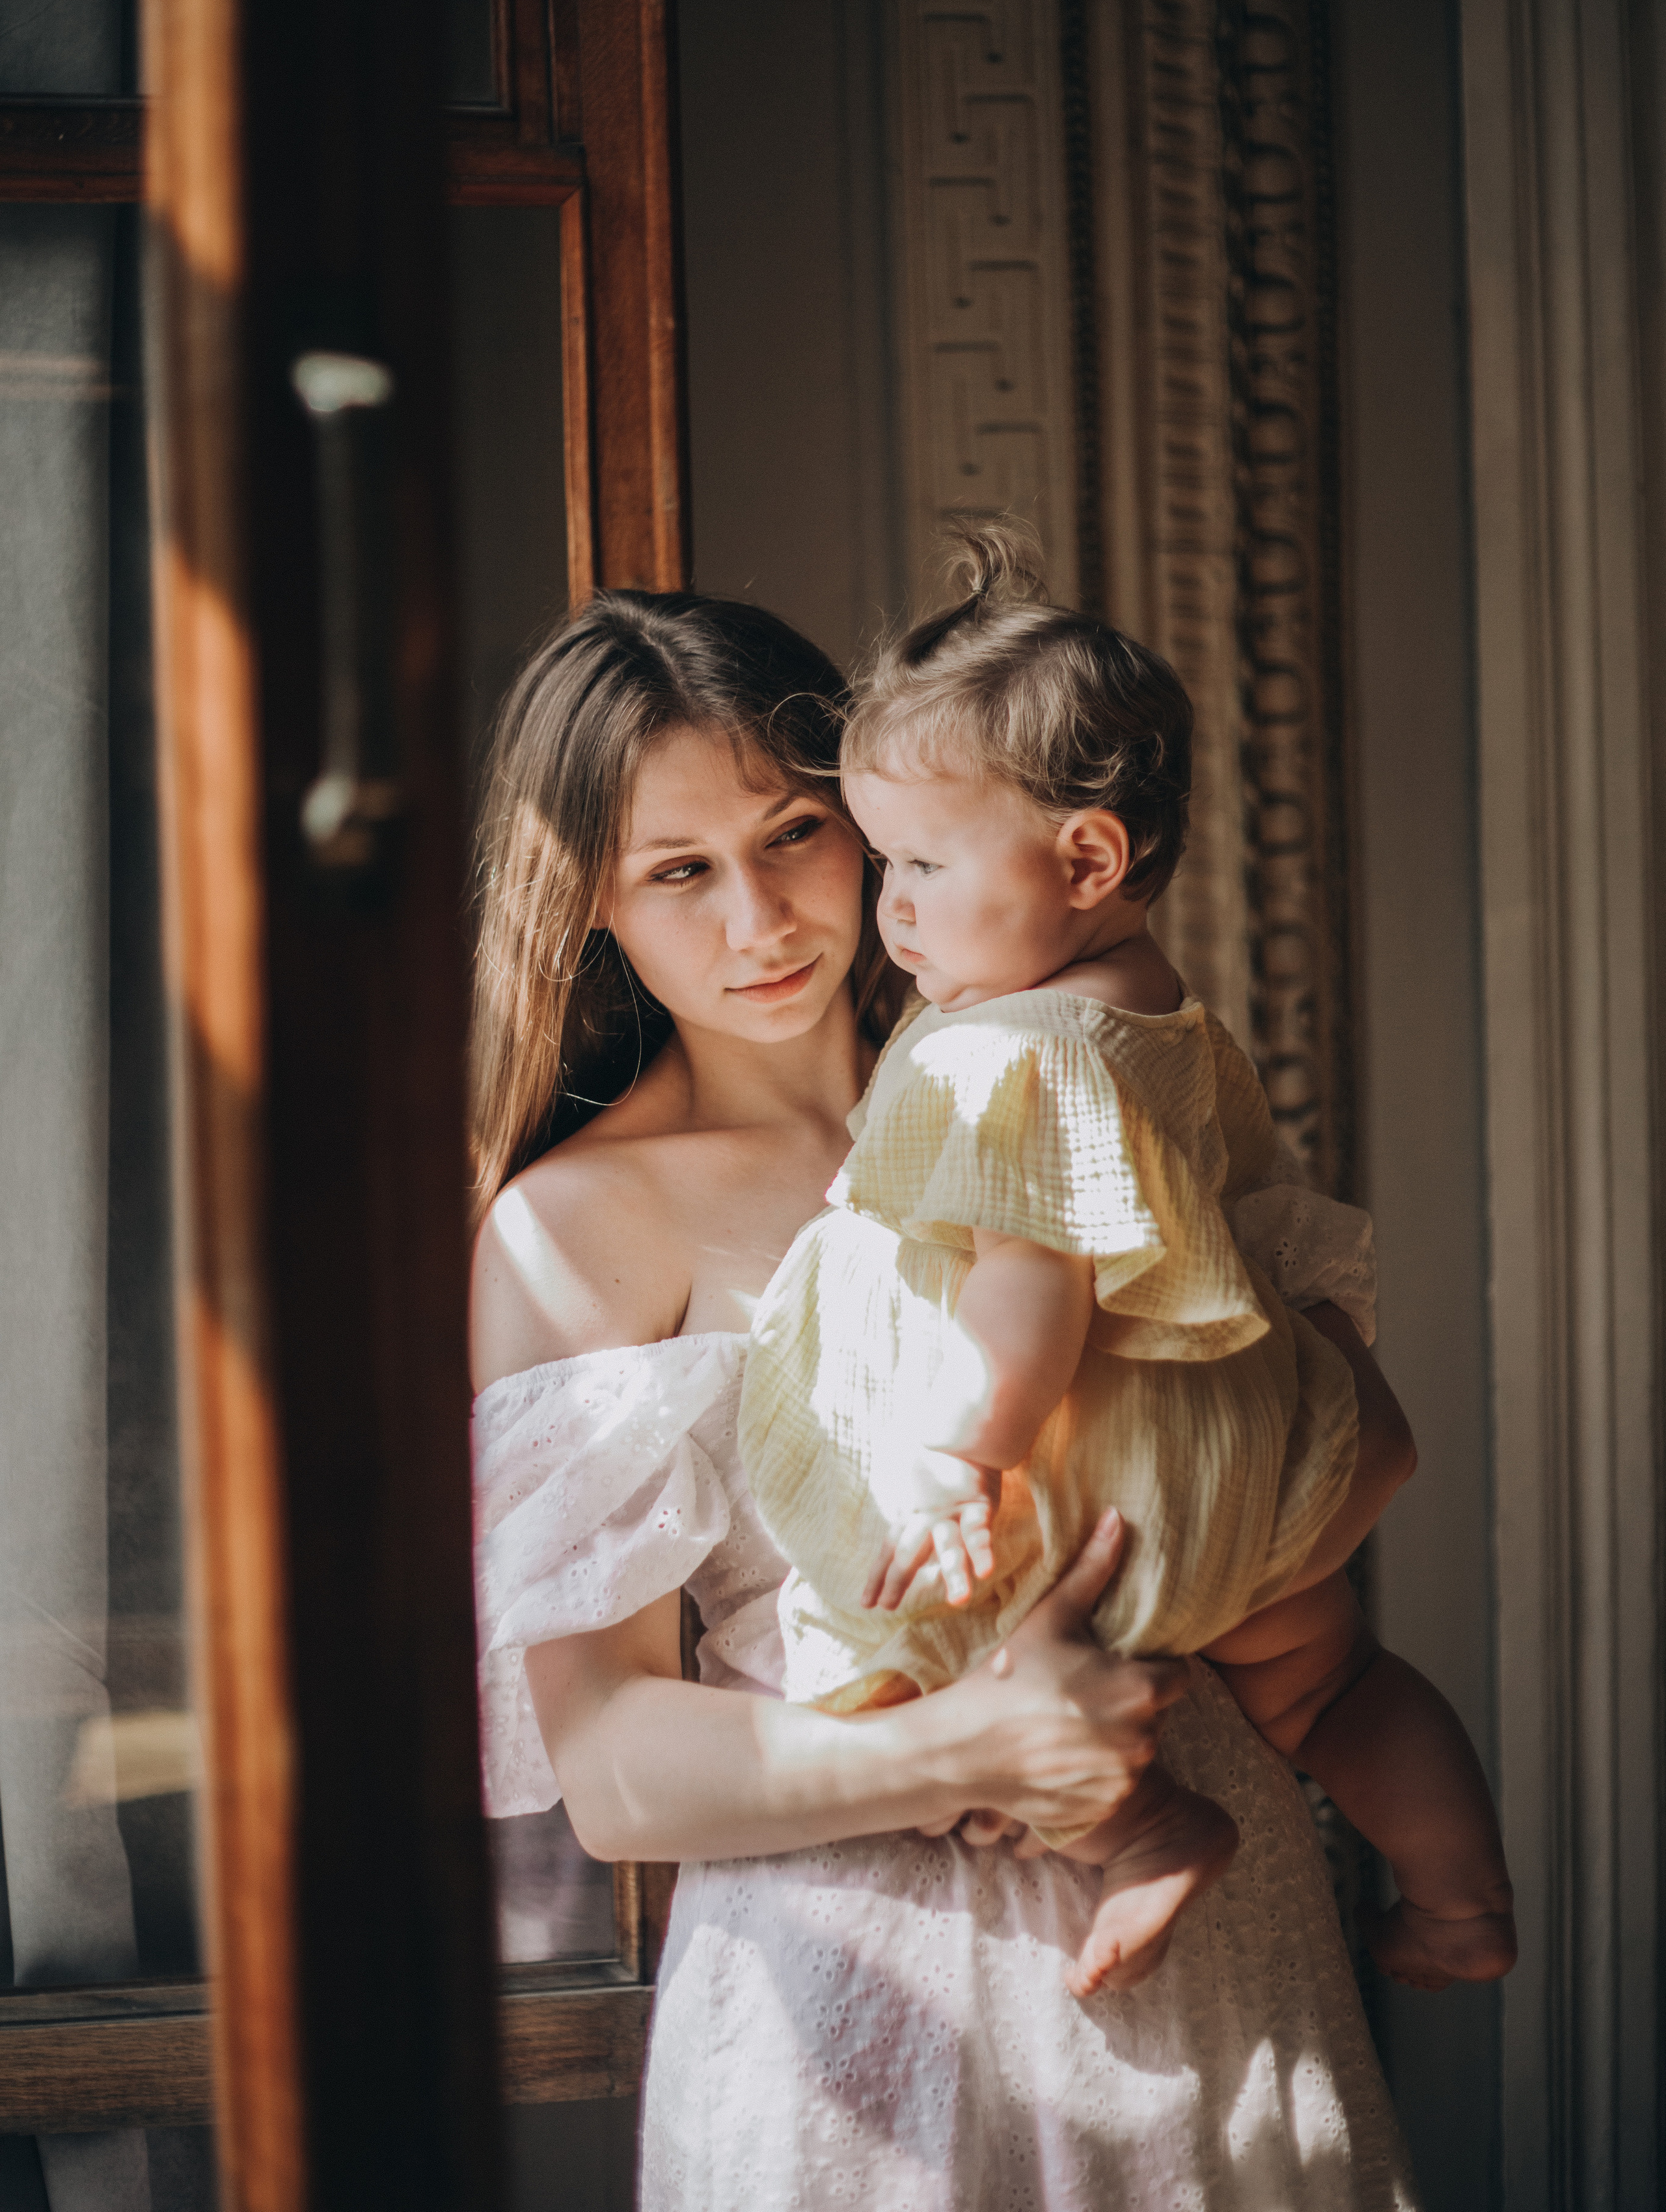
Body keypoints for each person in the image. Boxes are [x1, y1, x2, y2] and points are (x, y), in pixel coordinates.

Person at [470, 585, 1421, 2209]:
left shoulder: (1074, 1073)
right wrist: (976, 1744)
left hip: (1212, 1940)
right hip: (867, 1995)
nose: (759, 920)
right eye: (679, 872)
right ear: (587, 908)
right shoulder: (580, 1226)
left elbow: (1355, 1448)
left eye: (793, 833)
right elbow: (618, 1774)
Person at [743, 526, 1516, 2002]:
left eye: (915, 860)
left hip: (1097, 1476)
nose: (886, 902)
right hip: (1242, 1446)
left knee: (895, 1656)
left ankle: (1149, 1827)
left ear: (1085, 857)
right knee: (1331, 1682)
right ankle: (1458, 1900)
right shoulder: (1148, 1011)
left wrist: (956, 1464)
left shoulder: (1005, 1051)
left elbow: (1028, 1297)